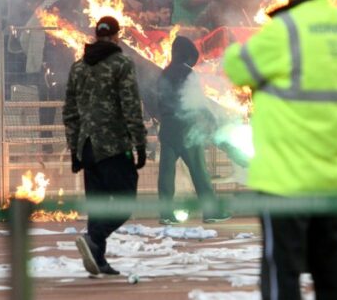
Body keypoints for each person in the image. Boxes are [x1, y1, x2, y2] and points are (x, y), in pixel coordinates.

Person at [224, 0, 337, 300]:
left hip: (285, 177)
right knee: (333, 272)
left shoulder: (285, 30)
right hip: (331, 177)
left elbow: (237, 68)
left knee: (281, 272)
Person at [64, 16, 147, 277]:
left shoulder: (78, 67)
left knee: (98, 205)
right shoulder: (121, 63)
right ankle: (94, 239)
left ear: (96, 35)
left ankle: (97, 259)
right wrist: (140, 143)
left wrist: (74, 150)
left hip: (87, 147)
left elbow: (70, 112)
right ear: (116, 36)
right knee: (125, 202)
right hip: (114, 146)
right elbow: (131, 106)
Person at [156, 36, 231, 224]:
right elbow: (197, 101)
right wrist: (211, 118)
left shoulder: (164, 73)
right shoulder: (189, 74)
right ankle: (211, 212)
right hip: (187, 128)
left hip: (168, 127)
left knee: (166, 173)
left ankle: (166, 214)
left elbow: (159, 100)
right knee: (199, 171)